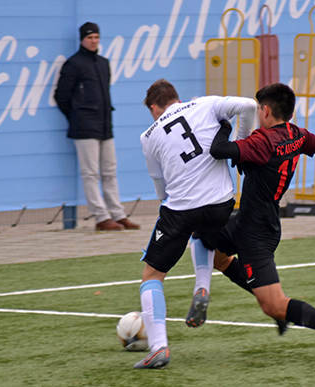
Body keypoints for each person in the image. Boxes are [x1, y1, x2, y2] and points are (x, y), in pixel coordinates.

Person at [188, 83, 315, 364]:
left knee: (273, 305)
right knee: (211, 248)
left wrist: (223, 122)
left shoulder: (263, 142)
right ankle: (279, 309)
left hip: (256, 232)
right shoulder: (296, 134)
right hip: (251, 220)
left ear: (265, 110)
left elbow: (218, 150)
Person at [134, 79, 256, 369]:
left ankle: (159, 348)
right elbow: (250, 106)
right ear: (176, 97)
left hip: (181, 210)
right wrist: (240, 143)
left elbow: (160, 188)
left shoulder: (148, 135)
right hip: (221, 202)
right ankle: (202, 287)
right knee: (205, 237)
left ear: (154, 107)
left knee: (152, 275)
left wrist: (171, 198)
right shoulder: (205, 104)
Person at [54, 22, 140, 231]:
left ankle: (118, 214)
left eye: (96, 37)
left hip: (104, 125)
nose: (93, 41)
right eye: (90, 37)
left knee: (110, 171)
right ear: (82, 39)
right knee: (90, 174)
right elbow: (61, 96)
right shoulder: (73, 63)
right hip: (84, 128)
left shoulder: (103, 62)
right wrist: (77, 115)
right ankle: (100, 217)